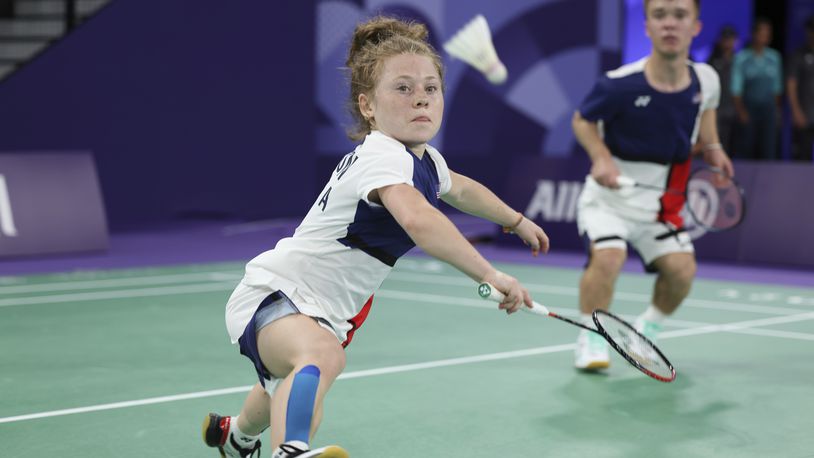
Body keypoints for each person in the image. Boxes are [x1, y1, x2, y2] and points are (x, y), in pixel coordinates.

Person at [201, 15, 550, 458]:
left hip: (322, 308)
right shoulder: (382, 157)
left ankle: (235, 437)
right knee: (320, 358)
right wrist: (487, 271)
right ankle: (288, 453)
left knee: (290, 384)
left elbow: (461, 188)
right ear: (368, 106)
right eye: (403, 88)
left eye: (430, 88)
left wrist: (515, 220)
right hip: (278, 293)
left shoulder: (422, 160)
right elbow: (420, 220)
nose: (420, 98)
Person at [570, 0, 734, 370]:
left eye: (680, 15)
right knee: (609, 256)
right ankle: (591, 338)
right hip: (610, 199)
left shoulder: (706, 78)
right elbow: (583, 120)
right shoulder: (619, 84)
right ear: (647, 27)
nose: (670, 24)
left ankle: (647, 330)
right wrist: (601, 157)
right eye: (660, 15)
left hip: (662, 204)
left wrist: (713, 147)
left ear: (696, 26)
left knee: (682, 271)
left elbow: (706, 109)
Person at [731, 17, 783, 160]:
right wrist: (741, 111)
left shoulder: (774, 57)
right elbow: (736, 88)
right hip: (749, 108)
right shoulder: (742, 58)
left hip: (769, 109)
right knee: (747, 148)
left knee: (769, 148)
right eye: (761, 33)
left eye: (768, 34)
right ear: (754, 34)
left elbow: (777, 88)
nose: (765, 37)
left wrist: (777, 111)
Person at [707, 25, 740, 156]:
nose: (728, 43)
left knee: (736, 142)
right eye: (725, 39)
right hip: (718, 107)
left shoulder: (739, 60)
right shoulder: (713, 60)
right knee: (719, 141)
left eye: (731, 39)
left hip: (735, 107)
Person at [787, 15, 814, 162]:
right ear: (808, 32)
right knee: (802, 156)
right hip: (805, 114)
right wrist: (796, 111)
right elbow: (791, 84)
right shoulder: (799, 55)